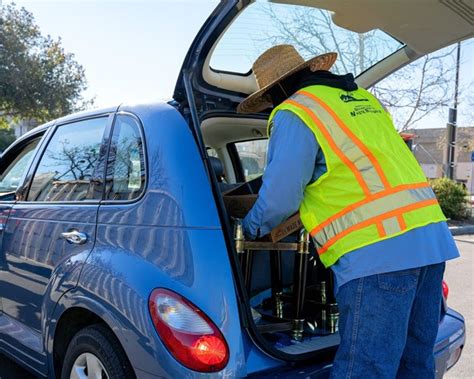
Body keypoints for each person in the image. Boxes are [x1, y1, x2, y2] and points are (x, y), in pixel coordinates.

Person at [237, 44, 459, 378]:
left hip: (379, 251)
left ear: (279, 89)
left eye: (270, 99)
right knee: (414, 364)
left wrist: (247, 227)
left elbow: (281, 196)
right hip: (430, 241)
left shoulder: (296, 111)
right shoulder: (363, 101)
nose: (272, 106)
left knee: (365, 370)